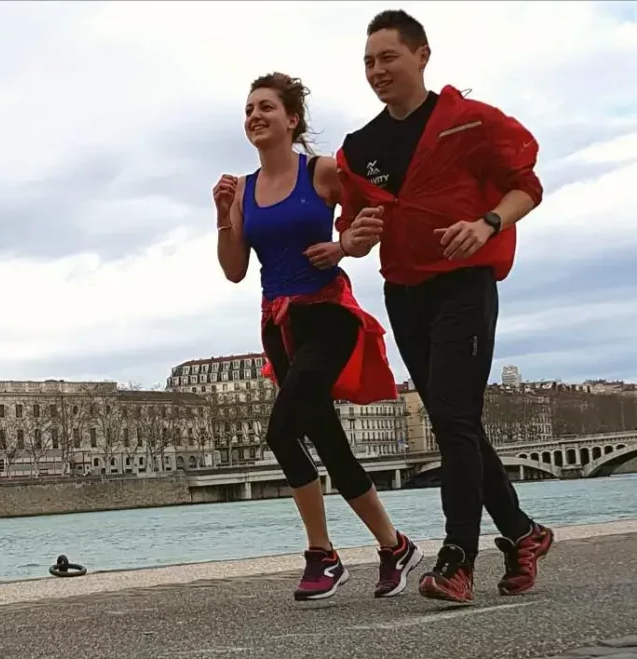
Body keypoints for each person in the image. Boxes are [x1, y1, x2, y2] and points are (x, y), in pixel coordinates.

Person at [335, 10, 554, 604]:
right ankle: (522, 533)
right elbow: (353, 227)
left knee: (454, 418)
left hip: (464, 285)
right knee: (455, 421)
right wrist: (353, 240)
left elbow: (527, 187)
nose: (377, 71)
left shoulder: (470, 122)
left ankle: (458, 557)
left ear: (422, 55)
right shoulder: (361, 147)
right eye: (368, 62)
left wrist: (488, 223)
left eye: (388, 58)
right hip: (403, 293)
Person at [213, 72, 423, 602]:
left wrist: (343, 245)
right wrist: (222, 217)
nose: (254, 116)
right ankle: (394, 546)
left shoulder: (323, 172)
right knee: (327, 439)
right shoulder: (242, 190)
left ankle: (322, 555)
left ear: (292, 119)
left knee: (282, 432)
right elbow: (235, 270)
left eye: (265, 107)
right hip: (278, 325)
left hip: (327, 316)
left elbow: (371, 211)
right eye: (248, 110)